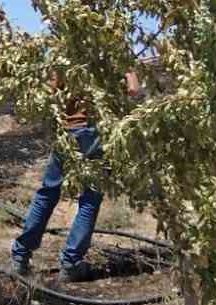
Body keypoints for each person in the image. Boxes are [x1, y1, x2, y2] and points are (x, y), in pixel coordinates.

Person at [10, 70, 142, 283]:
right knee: (90, 200)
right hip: (96, 134)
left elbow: (50, 91)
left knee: (48, 193)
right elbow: (134, 90)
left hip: (69, 131)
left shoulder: (67, 53)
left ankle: (20, 256)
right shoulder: (113, 53)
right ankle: (71, 264)